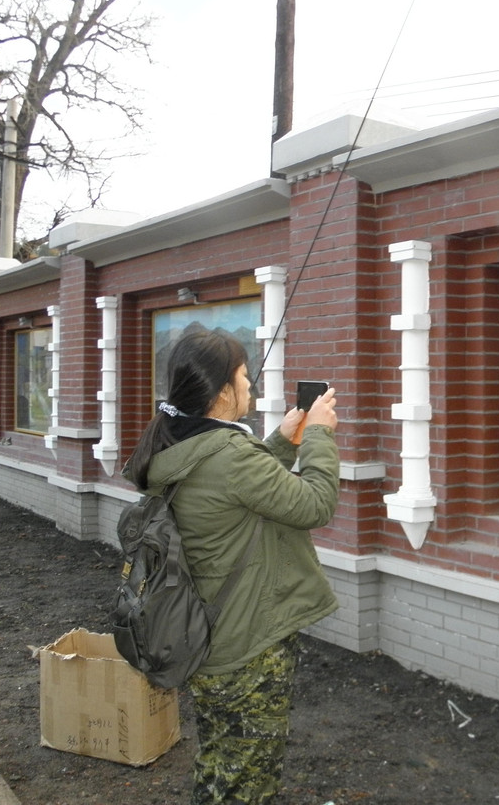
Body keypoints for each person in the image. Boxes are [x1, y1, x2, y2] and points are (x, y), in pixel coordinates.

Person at [123, 329, 340, 805]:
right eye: (244, 378)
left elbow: (231, 488)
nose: (251, 388)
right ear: (222, 391)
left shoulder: (180, 443)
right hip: (246, 646)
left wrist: (282, 443)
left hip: (204, 635)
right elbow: (315, 504)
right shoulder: (230, 455)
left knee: (221, 759)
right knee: (248, 779)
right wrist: (319, 434)